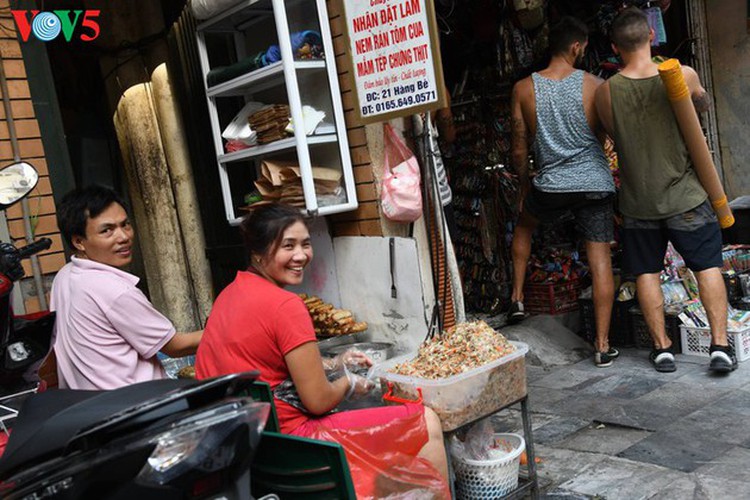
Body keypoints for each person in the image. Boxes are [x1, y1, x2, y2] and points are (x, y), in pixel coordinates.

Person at [195, 203, 448, 480]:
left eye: (305, 243)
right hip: (296, 444)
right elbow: (317, 401)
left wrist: (334, 362)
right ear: (257, 252)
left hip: (246, 447)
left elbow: (264, 363)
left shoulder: (228, 295)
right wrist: (348, 382)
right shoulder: (286, 306)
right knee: (425, 421)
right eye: (287, 246)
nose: (301, 255)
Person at [595, 7, 735, 373]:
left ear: (614, 47)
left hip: (639, 200)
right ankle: (720, 346)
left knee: (646, 272)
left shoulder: (605, 93)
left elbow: (613, 134)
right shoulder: (682, 74)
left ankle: (662, 349)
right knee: (707, 266)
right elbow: (700, 108)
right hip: (686, 195)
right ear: (652, 37)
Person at [507, 16, 618, 368]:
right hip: (595, 185)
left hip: (551, 185)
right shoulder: (596, 85)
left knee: (524, 225)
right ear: (576, 47)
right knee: (599, 260)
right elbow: (606, 137)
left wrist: (525, 184)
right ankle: (602, 345)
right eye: (583, 48)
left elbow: (519, 148)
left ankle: (517, 298)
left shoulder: (523, 88)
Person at [50, 185, 203, 390]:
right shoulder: (113, 289)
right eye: (107, 230)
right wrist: (225, 329)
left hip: (89, 405)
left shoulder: (65, 276)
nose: (123, 237)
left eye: (125, 225)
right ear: (79, 241)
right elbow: (175, 347)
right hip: (138, 405)